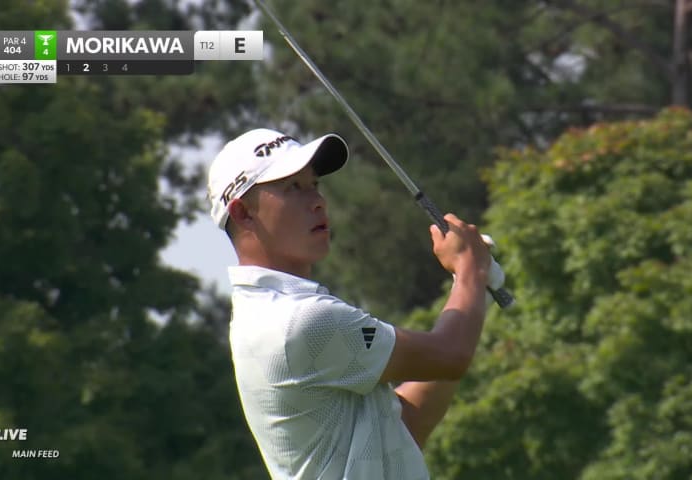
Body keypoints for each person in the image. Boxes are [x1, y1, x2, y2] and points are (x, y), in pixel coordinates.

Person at [207, 128, 491, 479]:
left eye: (313, 184)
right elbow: (451, 355)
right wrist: (469, 273)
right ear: (243, 213)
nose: (317, 201)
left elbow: (406, 424)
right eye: (292, 188)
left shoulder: (269, 313)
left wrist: (468, 282)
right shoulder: (301, 321)